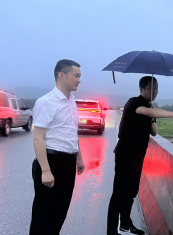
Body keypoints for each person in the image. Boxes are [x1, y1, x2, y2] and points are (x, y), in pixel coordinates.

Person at [107, 76, 173, 235]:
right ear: (141, 89)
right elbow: (146, 111)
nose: (155, 91)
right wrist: (172, 114)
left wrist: (152, 117)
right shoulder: (134, 103)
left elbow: (154, 132)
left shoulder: (149, 108)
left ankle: (125, 224)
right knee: (119, 193)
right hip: (125, 154)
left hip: (138, 156)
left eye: (157, 88)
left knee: (131, 191)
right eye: (152, 88)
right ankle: (110, 230)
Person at [30, 59, 85, 235]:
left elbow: (71, 132)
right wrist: (45, 170)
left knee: (59, 213)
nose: (79, 80)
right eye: (76, 76)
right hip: (51, 161)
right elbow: (38, 138)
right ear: (61, 75)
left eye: (80, 76)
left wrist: (79, 157)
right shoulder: (47, 102)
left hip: (68, 163)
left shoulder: (71, 101)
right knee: (43, 216)